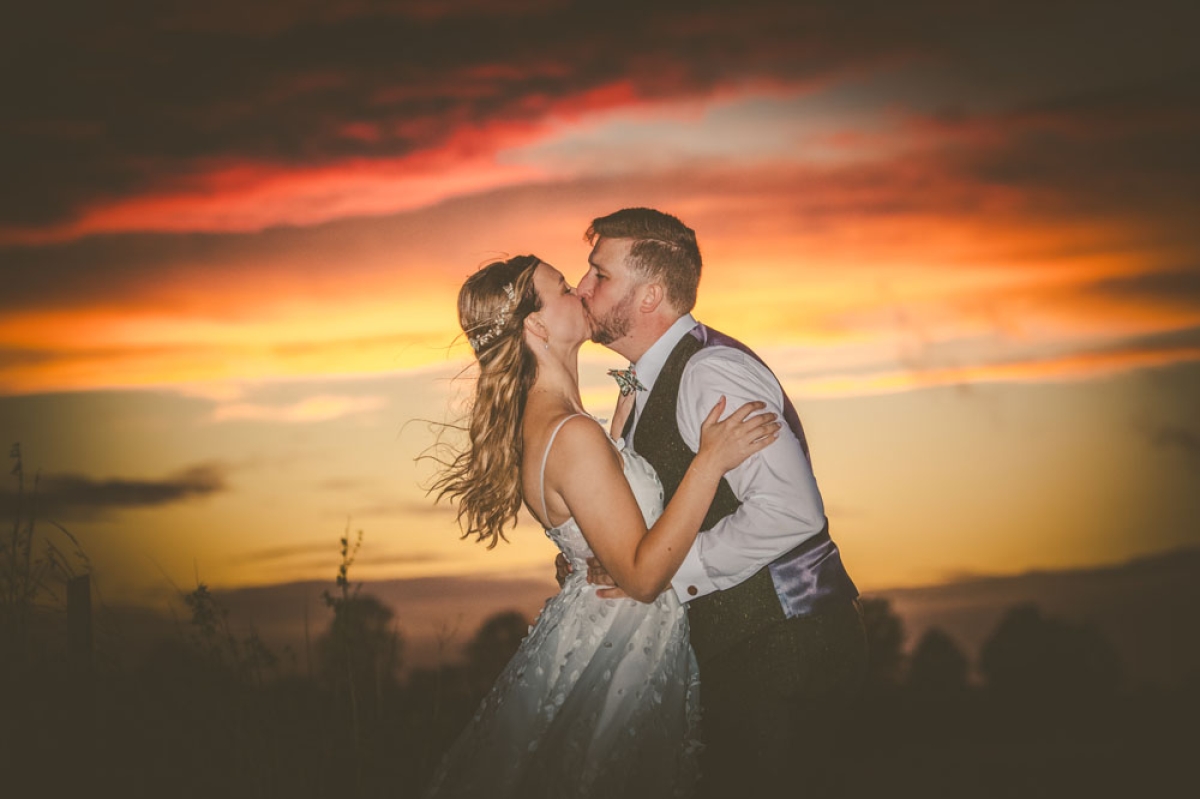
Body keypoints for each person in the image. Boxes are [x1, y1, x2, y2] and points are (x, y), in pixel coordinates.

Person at [424, 254, 781, 798]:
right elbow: (639, 578)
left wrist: (633, 388)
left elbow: (608, 516)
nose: (581, 292)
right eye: (564, 287)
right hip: (619, 646)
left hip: (611, 628)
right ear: (537, 327)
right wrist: (709, 461)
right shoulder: (569, 435)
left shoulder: (565, 423)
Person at [571, 208, 868, 797]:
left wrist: (653, 571)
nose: (582, 289)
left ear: (651, 293)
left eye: (598, 275)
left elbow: (790, 513)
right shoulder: (644, 385)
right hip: (734, 651)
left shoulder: (712, 373)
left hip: (784, 644)